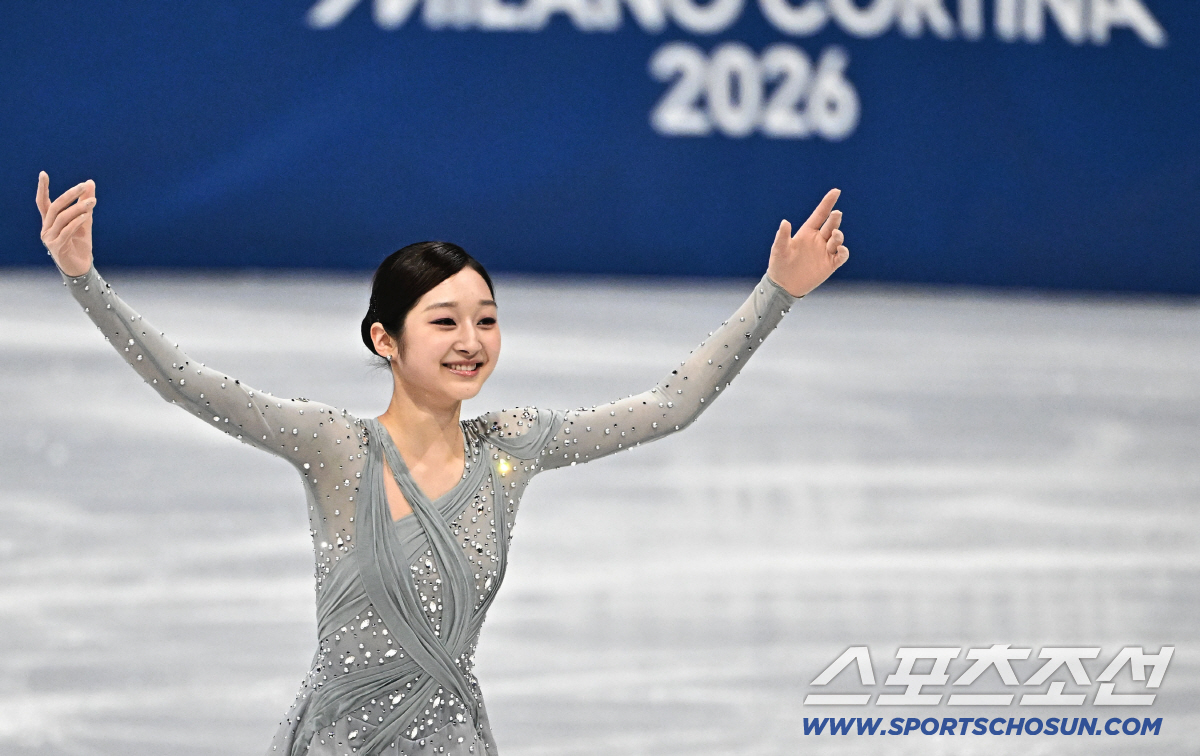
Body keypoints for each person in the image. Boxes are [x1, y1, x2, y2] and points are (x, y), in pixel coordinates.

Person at [35, 171, 849, 756]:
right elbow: (188, 384)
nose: (471, 341)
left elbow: (669, 407)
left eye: (486, 320)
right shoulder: (335, 448)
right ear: (384, 340)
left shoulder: (512, 446)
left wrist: (776, 292)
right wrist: (84, 280)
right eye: (445, 321)